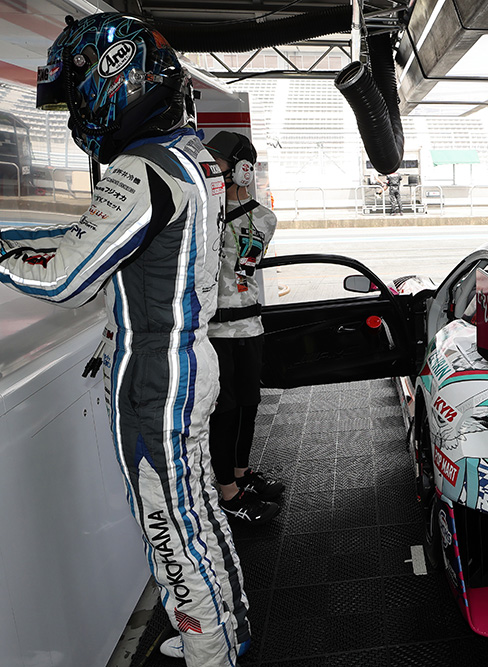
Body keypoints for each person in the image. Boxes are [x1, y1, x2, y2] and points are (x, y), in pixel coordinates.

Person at [2, 13, 248, 667]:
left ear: (111, 79)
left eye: (75, 93)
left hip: (152, 376)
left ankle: (210, 651)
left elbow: (64, 276)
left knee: (170, 527)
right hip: (183, 360)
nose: (75, 111)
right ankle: (227, 628)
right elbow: (93, 241)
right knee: (197, 510)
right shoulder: (189, 154)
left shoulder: (141, 168)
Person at [203, 130, 283, 526]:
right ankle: (228, 493)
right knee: (226, 412)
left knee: (248, 407)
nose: (210, 167)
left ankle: (240, 473)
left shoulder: (265, 218)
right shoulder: (204, 216)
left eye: (217, 161)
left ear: (242, 169)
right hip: (215, 334)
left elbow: (245, 266)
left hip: (250, 327)